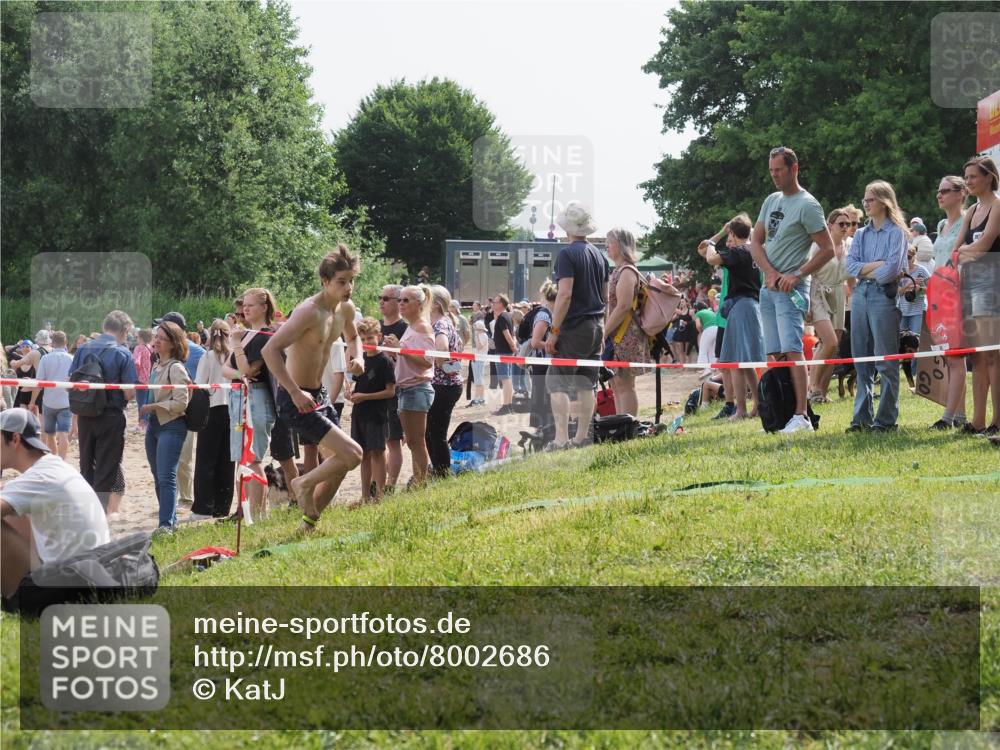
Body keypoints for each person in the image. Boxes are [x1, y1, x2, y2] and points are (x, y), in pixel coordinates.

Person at [262, 245, 365, 533]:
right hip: (295, 398)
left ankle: (308, 526)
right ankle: (303, 482)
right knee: (354, 455)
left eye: (351, 281)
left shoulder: (346, 308)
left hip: (318, 395)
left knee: (341, 464)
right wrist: (294, 391)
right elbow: (271, 350)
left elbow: (354, 337)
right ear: (325, 281)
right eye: (341, 281)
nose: (348, 287)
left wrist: (357, 357)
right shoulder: (308, 312)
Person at [750, 146, 834, 433]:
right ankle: (782, 412)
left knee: (793, 350)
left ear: (794, 168)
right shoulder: (771, 200)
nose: (774, 175)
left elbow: (827, 249)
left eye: (779, 170)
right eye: (771, 170)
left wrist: (796, 275)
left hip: (791, 291)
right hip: (768, 288)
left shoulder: (808, 205)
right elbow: (756, 241)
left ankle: (801, 415)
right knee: (775, 354)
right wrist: (770, 272)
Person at [1, 408, 110, 601]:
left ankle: (14, 599)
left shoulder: (39, 477)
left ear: (15, 439)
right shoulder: (53, 467)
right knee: (12, 512)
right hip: (91, 578)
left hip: (69, 589)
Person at [845, 180, 909, 433]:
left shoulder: (897, 232)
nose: (866, 204)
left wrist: (867, 268)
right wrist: (877, 265)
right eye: (864, 200)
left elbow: (892, 269)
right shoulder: (860, 234)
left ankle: (885, 420)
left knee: (886, 360)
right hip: (860, 295)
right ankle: (860, 419)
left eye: (870, 199)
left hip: (883, 295)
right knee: (862, 359)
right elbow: (850, 268)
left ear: (884, 201)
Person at [545, 201, 609, 449]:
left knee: (557, 381)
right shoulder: (599, 256)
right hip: (596, 325)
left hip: (574, 326)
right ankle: (582, 437)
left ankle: (561, 439)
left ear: (567, 228)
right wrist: (601, 326)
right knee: (587, 383)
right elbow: (605, 297)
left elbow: (564, 294)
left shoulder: (566, 254)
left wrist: (554, 331)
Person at [698, 214, 764, 419]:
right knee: (746, 363)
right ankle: (759, 405)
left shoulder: (738, 252)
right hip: (752, 306)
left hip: (741, 306)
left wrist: (712, 241)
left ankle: (741, 409)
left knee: (735, 362)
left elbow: (709, 257)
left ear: (733, 234)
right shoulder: (754, 249)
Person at [70, 311, 137, 511]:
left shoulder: (83, 349)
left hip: (85, 414)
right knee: (107, 467)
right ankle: (99, 514)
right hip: (110, 416)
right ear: (124, 330)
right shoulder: (123, 352)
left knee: (86, 464)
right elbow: (128, 394)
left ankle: (85, 511)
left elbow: (72, 379)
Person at [222, 288, 279, 519]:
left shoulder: (266, 336)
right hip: (240, 397)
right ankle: (243, 511)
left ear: (264, 307)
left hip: (258, 397)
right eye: (244, 305)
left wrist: (236, 345)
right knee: (241, 458)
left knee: (254, 458)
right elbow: (226, 370)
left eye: (250, 305)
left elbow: (248, 369)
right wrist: (240, 371)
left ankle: (256, 514)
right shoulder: (244, 336)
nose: (245, 309)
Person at [954, 156, 1000, 436]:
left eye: (973, 176)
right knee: (978, 358)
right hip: (971, 285)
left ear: (989, 177)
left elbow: (983, 246)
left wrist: (963, 254)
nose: (968, 181)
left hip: (992, 281)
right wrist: (963, 254)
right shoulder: (971, 211)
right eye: (966, 177)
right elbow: (957, 247)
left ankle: (997, 420)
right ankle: (978, 420)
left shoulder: (997, 205)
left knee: (994, 355)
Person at [138, 321, 190, 532]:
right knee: (157, 474)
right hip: (154, 426)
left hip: (172, 425)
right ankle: (170, 521)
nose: (156, 341)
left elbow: (181, 403)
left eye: (161, 338)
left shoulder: (176, 368)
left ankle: (166, 525)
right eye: (155, 336)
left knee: (166, 475)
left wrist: (154, 406)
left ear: (173, 343)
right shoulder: (156, 364)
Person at [928, 175, 969, 430]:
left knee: (956, 357)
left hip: (958, 293)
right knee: (948, 355)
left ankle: (947, 417)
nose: (939, 195)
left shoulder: (967, 221)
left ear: (961, 193)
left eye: (945, 190)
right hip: (938, 294)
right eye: (938, 190)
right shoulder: (942, 223)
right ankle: (961, 415)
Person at [345, 317, 395, 507]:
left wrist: (365, 396)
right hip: (359, 413)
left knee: (377, 452)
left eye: (370, 339)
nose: (367, 343)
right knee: (363, 454)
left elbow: (390, 391)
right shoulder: (359, 359)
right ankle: (365, 495)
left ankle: (380, 496)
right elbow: (352, 380)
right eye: (363, 339)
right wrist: (349, 391)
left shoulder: (385, 361)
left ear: (379, 337)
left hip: (377, 414)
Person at [391, 285, 437, 487]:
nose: (401, 304)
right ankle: (418, 480)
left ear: (418, 304)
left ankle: (421, 482)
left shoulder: (423, 327)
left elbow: (427, 361)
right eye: (399, 300)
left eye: (405, 300)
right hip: (407, 388)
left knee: (416, 441)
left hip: (417, 387)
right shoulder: (412, 326)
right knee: (411, 441)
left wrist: (400, 350)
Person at [156, 312, 203, 507]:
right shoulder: (161, 353)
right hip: (164, 413)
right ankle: (174, 498)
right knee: (170, 460)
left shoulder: (198, 352)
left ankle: (185, 496)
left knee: (184, 457)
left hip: (184, 412)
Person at [602, 227, 650, 416]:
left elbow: (622, 307)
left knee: (624, 385)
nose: (607, 246)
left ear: (621, 245)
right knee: (616, 384)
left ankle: (628, 427)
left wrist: (604, 333)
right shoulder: (619, 270)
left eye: (610, 242)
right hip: (618, 335)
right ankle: (621, 424)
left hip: (625, 334)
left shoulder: (628, 271)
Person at [806, 209, 852, 403]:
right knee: (829, 341)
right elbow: (807, 273)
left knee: (834, 346)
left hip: (838, 294)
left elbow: (851, 276)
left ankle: (822, 393)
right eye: (841, 224)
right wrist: (807, 304)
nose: (845, 228)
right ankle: (812, 386)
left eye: (847, 224)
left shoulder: (849, 245)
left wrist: (854, 293)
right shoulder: (819, 245)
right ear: (830, 225)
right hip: (818, 293)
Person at [191, 320, 235, 520]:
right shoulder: (234, 356)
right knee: (227, 460)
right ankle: (222, 506)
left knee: (206, 460)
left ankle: (203, 507)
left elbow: (201, 385)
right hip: (232, 410)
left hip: (213, 408)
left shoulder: (207, 356)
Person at [426, 286, 465, 477]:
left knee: (435, 433)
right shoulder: (446, 322)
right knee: (432, 432)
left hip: (443, 385)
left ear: (434, 304)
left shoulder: (440, 325)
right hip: (448, 383)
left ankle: (442, 472)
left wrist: (434, 362)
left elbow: (441, 350)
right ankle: (438, 469)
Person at [378, 285, 407, 493]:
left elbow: (413, 364)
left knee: (393, 440)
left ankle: (391, 484)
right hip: (373, 389)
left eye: (386, 298)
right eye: (380, 297)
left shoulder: (404, 329)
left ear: (399, 302)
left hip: (395, 390)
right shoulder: (376, 327)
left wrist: (397, 352)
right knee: (377, 441)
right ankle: (376, 481)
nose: (382, 301)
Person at [29, 331, 73, 459]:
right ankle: (63, 461)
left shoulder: (45, 358)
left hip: (49, 401)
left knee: (50, 433)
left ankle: (54, 460)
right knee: (64, 433)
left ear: (52, 343)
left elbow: (39, 383)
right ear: (65, 343)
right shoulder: (71, 358)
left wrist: (32, 401)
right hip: (66, 401)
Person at [528, 280, 558, 429]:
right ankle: (542, 429)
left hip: (546, 363)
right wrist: (552, 346)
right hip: (542, 364)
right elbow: (535, 342)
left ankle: (547, 428)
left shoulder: (551, 314)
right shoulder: (544, 316)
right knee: (541, 398)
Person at [491, 294, 516, 415]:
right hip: (507, 352)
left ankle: (506, 406)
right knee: (508, 379)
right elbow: (513, 334)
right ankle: (508, 405)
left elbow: (508, 335)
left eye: (495, 302)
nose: (493, 304)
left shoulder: (502, 318)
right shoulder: (508, 316)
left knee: (505, 380)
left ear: (501, 304)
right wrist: (513, 348)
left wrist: (513, 347)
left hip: (503, 352)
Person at [897, 245, 930, 333]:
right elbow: (898, 293)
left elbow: (932, 289)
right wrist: (910, 283)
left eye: (908, 257)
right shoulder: (899, 272)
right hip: (902, 311)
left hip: (917, 311)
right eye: (903, 257)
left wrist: (920, 289)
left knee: (915, 338)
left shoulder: (921, 270)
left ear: (914, 257)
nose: (906, 260)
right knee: (901, 339)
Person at [132, 329, 154, 432]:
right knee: (146, 401)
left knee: (141, 402)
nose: (136, 339)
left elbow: (136, 362)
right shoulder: (149, 348)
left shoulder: (139, 348)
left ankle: (141, 424)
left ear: (141, 337)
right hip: (149, 378)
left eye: (137, 337)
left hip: (140, 378)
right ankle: (146, 422)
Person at [470, 319, 489, 406]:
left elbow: (478, 347)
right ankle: (481, 398)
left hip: (480, 359)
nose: (474, 329)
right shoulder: (481, 335)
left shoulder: (483, 335)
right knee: (479, 379)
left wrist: (477, 336)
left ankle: (477, 399)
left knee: (479, 380)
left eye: (476, 328)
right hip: (477, 359)